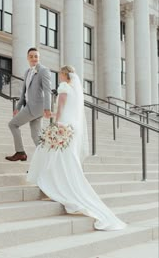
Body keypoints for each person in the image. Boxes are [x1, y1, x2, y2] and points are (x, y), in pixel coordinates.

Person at [27, 65, 126, 231]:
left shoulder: (65, 87)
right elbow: (68, 109)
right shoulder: (74, 89)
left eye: (60, 74)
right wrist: (54, 116)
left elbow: (61, 106)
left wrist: (56, 121)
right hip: (71, 126)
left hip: (63, 125)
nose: (59, 77)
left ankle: (51, 181)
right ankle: (54, 179)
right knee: (59, 155)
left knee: (48, 151)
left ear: (65, 75)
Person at [6, 47, 52, 162]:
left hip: (36, 107)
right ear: (27, 58)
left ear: (39, 58)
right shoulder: (27, 72)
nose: (33, 59)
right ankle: (46, 160)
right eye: (31, 56)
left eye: (36, 56)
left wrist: (47, 108)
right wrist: (18, 107)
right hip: (31, 106)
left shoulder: (43, 70)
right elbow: (24, 92)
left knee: (13, 124)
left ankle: (20, 152)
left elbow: (47, 90)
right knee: (36, 136)